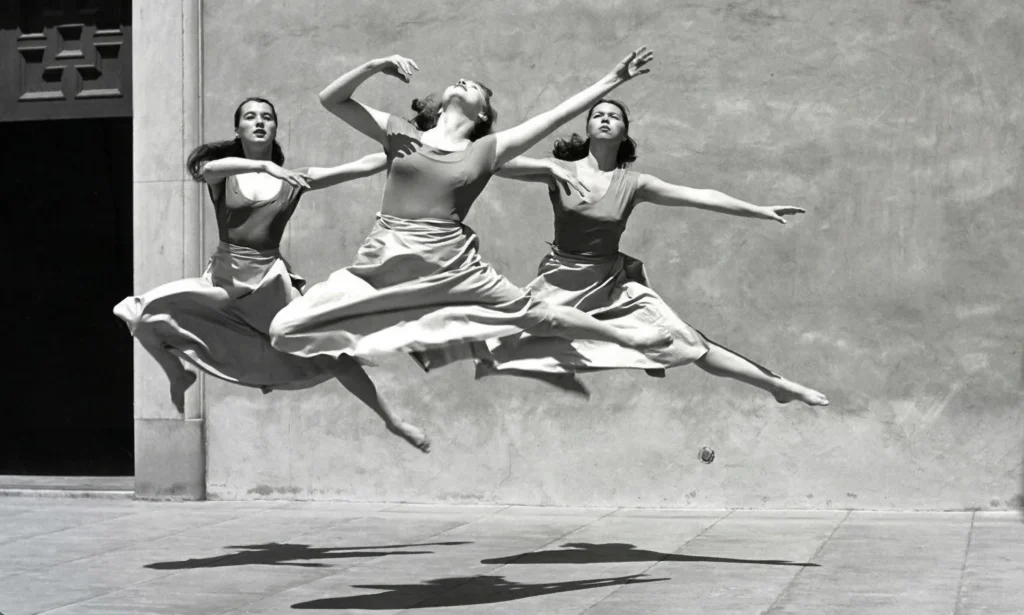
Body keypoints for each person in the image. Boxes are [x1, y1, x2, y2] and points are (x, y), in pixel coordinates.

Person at [268, 48, 674, 367]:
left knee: (536, 314)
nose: (463, 82)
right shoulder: (402, 134)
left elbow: (554, 116)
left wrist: (612, 80)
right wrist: (375, 65)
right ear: (442, 103)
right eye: (460, 82)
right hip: (383, 260)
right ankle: (376, 337)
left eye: (474, 88)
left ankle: (629, 336)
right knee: (284, 330)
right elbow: (331, 99)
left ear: (482, 113)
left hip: (452, 266)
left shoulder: (484, 151)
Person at [421, 99, 829, 407]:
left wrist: (758, 209)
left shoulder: (634, 184)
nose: (604, 117)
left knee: (688, 341)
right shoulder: (556, 170)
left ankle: (778, 386)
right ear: (587, 128)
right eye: (597, 113)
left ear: (623, 133)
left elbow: (698, 196)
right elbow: (487, 160)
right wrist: (444, 133)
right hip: (560, 281)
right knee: (498, 343)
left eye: (613, 115)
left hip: (611, 283)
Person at [113, 97, 432, 452]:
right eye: (250, 117)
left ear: (275, 128)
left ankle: (394, 421)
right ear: (238, 130)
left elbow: (362, 165)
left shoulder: (294, 181)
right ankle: (178, 373)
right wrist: (265, 168)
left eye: (267, 117)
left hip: (270, 284)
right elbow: (209, 169)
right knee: (138, 311)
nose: (260, 122)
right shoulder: (226, 175)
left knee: (335, 356)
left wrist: (418, 144)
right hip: (226, 280)